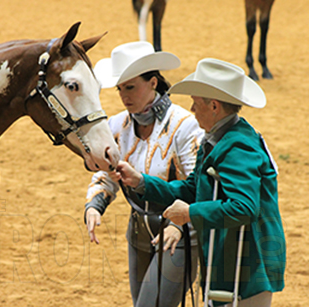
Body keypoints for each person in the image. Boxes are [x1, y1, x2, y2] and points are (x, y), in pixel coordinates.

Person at [115, 58, 286, 307]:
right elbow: (192, 188)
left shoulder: (238, 146)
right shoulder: (216, 138)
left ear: (214, 106)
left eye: (195, 103)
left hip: (248, 263)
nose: (192, 110)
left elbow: (245, 207)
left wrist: (190, 213)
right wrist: (141, 182)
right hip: (231, 257)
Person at [84, 41, 204, 307]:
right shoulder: (116, 125)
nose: (124, 96)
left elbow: (199, 186)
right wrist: (95, 205)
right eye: (120, 89)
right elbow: (106, 174)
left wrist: (178, 224)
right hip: (138, 231)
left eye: (131, 87)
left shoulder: (185, 126)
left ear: (152, 82)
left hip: (179, 232)